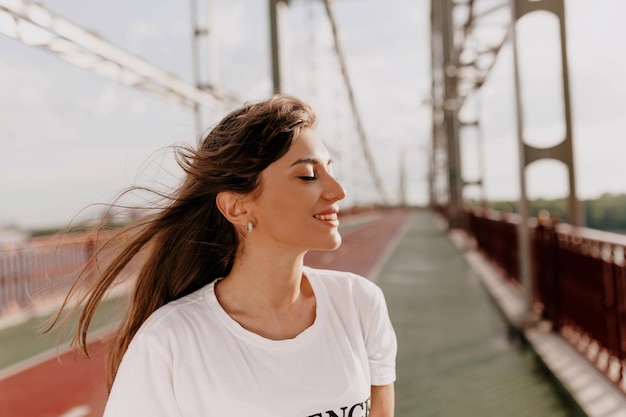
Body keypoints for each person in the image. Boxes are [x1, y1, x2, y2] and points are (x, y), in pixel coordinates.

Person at [58, 94, 397, 416]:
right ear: (236, 206)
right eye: (308, 175)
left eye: (330, 170)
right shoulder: (169, 341)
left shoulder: (359, 303)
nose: (338, 191)